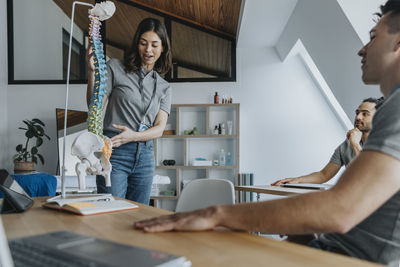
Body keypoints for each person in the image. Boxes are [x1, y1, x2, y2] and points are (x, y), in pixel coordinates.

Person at [135, 1, 400, 265]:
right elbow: (339, 192)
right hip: (325, 245)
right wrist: (302, 230)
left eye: (374, 37)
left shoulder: (396, 109)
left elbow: (341, 209)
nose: (362, 49)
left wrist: (216, 213)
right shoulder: (390, 109)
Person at [87, 18, 172, 204]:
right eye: (143, 43)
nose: (148, 50)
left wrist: (132, 136)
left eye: (154, 45)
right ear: (136, 44)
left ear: (163, 48)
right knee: (110, 214)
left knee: (138, 216)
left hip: (145, 157)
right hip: (114, 152)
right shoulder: (115, 68)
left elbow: (159, 128)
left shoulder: (165, 87)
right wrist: (93, 73)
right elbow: (94, 106)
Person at [271, 98, 380, 186]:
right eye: (357, 113)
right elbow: (324, 175)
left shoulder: (388, 144)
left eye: (365, 114)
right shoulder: (346, 145)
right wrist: (297, 180)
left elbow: (373, 175)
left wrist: (355, 144)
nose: (358, 117)